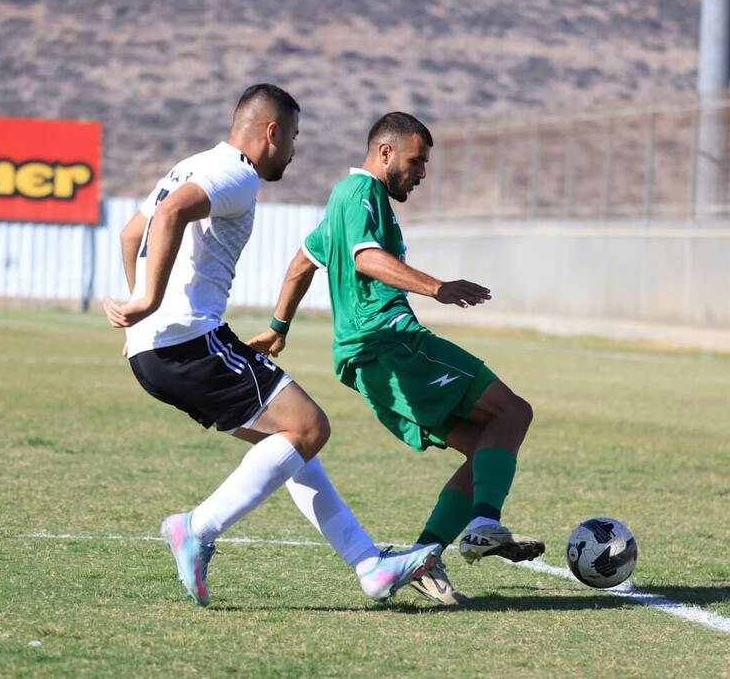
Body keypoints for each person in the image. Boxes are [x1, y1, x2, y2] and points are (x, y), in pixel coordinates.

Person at [104, 86, 440, 607]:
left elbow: (132, 234)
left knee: (285, 444)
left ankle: (369, 566)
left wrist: (142, 316)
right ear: (272, 133)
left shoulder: (190, 164)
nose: (294, 151)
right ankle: (196, 528)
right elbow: (168, 217)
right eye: (294, 138)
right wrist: (148, 301)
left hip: (155, 350)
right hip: (189, 340)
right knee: (309, 427)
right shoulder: (236, 172)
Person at [248, 112, 544, 606]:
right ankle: (485, 524)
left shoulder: (345, 202)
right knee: (514, 412)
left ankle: (426, 556)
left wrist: (279, 328)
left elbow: (303, 261)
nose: (422, 173)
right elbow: (366, 258)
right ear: (385, 153)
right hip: (391, 342)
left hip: (369, 359)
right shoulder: (361, 194)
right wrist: (438, 288)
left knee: (488, 443)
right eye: (417, 161)